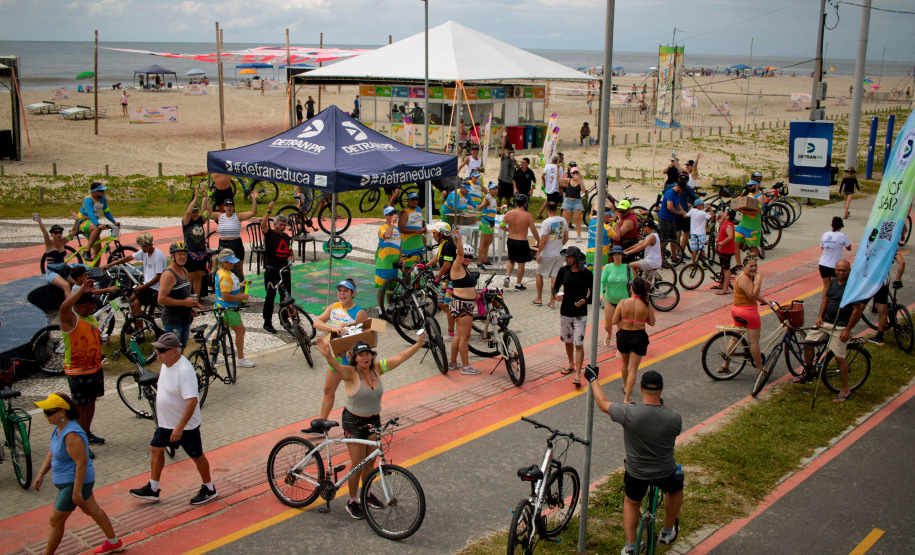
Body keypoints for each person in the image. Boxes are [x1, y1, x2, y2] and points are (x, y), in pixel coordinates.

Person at [314, 336, 426, 519]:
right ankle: (351, 501)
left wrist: (419, 344)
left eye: (368, 354)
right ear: (355, 358)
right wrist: (328, 356)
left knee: (370, 463)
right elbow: (338, 368)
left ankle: (366, 493)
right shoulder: (351, 373)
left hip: (373, 421)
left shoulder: (377, 368)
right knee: (357, 465)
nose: (365, 357)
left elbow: (400, 357)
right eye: (361, 355)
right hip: (354, 422)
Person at [586, 369, 683, 553]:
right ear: (661, 390)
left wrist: (593, 379)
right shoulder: (674, 417)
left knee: (631, 502)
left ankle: (630, 546)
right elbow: (673, 429)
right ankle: (667, 531)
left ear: (641, 388)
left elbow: (603, 404)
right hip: (665, 472)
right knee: (676, 491)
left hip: (636, 473)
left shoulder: (628, 412)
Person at [129, 333, 218, 506]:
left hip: (184, 426)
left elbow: (192, 401)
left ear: (174, 352)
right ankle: (153, 489)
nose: (157, 354)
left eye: (161, 350)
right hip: (166, 423)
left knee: (197, 456)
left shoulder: (184, 371)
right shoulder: (166, 364)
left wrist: (179, 427)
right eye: (157, 350)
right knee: (155, 448)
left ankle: (209, 488)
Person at [32, 393, 124, 555]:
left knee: (55, 520)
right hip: (74, 483)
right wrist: (41, 474)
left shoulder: (72, 435)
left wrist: (76, 491)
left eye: (49, 412)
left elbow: (81, 463)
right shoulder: (58, 429)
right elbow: (52, 453)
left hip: (73, 483)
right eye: (44, 412)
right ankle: (114, 542)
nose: (46, 416)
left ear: (62, 412)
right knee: (92, 510)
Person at [794, 260, 864, 401]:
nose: (841, 273)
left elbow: (857, 311)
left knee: (839, 358)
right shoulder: (833, 282)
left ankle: (845, 389)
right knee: (808, 343)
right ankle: (808, 372)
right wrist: (820, 317)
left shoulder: (852, 287)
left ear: (849, 271)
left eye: (844, 270)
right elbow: (826, 299)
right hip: (825, 323)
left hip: (840, 326)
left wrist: (847, 330)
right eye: (838, 270)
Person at [59, 282, 105, 454]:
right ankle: (80, 444)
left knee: (92, 401)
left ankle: (86, 433)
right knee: (80, 406)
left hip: (95, 369)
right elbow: (64, 307)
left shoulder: (90, 317)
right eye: (92, 304)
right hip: (78, 371)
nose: (94, 306)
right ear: (82, 305)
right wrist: (80, 291)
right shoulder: (70, 320)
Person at [314, 279, 369, 420]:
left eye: (346, 291)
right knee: (328, 390)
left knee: (355, 394)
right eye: (340, 290)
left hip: (352, 362)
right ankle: (322, 424)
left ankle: (365, 421)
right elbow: (317, 323)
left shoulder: (359, 313)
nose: (342, 294)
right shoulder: (333, 307)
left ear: (352, 293)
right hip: (336, 359)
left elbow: (366, 340)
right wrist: (332, 328)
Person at [717, 256, 773, 377]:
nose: (754, 268)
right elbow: (753, 295)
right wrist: (759, 281)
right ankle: (759, 369)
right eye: (751, 266)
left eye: (755, 265)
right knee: (753, 342)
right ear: (744, 266)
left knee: (736, 338)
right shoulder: (745, 279)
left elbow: (753, 294)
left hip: (737, 310)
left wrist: (765, 300)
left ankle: (725, 364)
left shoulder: (742, 276)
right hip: (749, 313)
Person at [552, 246, 593, 386]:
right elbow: (555, 287)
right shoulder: (563, 271)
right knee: (568, 341)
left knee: (579, 344)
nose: (566, 259)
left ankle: (578, 374)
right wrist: (555, 295)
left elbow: (592, 295)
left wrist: (585, 301)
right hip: (565, 312)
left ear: (574, 258)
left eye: (568, 257)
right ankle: (571, 363)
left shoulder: (587, 274)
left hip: (580, 314)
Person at [103, 233, 166, 317]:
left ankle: (140, 329)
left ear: (151, 244)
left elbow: (159, 276)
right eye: (141, 246)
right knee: (130, 300)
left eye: (144, 246)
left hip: (155, 287)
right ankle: (136, 323)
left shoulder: (158, 255)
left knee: (135, 305)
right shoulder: (144, 252)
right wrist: (110, 265)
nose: (142, 249)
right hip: (147, 285)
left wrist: (142, 287)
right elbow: (129, 258)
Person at [613, 278, 656, 403]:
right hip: (639, 336)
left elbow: (614, 320)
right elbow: (652, 323)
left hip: (624, 336)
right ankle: (627, 397)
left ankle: (626, 385)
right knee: (633, 369)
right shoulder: (646, 304)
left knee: (624, 364)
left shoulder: (623, 302)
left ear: (632, 288)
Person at [447, 231, 482, 375]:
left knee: (458, 336)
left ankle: (453, 363)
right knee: (465, 337)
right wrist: (459, 240)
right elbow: (460, 255)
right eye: (465, 256)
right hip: (462, 306)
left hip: (462, 305)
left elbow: (468, 286)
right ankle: (466, 367)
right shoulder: (457, 267)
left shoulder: (465, 270)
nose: (467, 258)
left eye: (470, 257)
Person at [214, 248, 255, 367]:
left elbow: (230, 287)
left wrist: (241, 285)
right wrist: (242, 296)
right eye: (230, 262)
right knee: (240, 331)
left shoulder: (224, 272)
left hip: (221, 306)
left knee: (220, 332)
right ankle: (240, 359)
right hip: (227, 309)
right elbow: (226, 296)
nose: (233, 263)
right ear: (224, 262)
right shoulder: (225, 276)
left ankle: (213, 355)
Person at [157, 242, 201, 351]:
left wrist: (190, 307)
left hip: (185, 319)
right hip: (173, 321)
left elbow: (183, 295)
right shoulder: (168, 275)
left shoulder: (184, 271)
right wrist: (184, 303)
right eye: (179, 254)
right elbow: (161, 299)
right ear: (172, 256)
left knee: (182, 350)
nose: (182, 257)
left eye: (184, 254)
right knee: (173, 352)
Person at [261, 202, 295, 334]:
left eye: (284, 225)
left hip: (284, 270)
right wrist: (269, 211)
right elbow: (263, 225)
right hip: (271, 271)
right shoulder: (270, 234)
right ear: (275, 225)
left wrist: (292, 257)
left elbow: (290, 250)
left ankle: (284, 319)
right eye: (279, 225)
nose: (282, 227)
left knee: (286, 297)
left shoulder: (286, 237)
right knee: (270, 297)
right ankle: (267, 323)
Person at [217, 190, 258, 281]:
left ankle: (242, 290)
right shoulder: (219, 216)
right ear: (223, 207)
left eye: (231, 205)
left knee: (238, 270)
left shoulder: (238, 216)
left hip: (235, 244)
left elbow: (253, 213)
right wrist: (206, 198)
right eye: (227, 206)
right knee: (223, 268)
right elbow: (206, 213)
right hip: (223, 244)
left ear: (233, 207)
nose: (229, 207)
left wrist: (254, 199)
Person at [533, 201, 568, 307]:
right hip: (558, 253)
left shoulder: (546, 222)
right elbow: (566, 237)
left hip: (547, 253)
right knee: (554, 277)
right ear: (556, 209)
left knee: (539, 274)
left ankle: (539, 298)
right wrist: (559, 245)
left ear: (546, 210)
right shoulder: (563, 221)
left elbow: (543, 240)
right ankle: (552, 302)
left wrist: (539, 252)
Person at [501, 194, 539, 291]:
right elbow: (534, 231)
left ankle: (507, 276)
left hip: (511, 240)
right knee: (521, 263)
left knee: (511, 260)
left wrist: (509, 230)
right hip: (522, 241)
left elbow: (501, 226)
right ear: (525, 204)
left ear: (516, 203)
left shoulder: (508, 213)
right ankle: (518, 284)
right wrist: (539, 241)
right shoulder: (528, 216)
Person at [76, 182, 119, 264]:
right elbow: (90, 213)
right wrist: (98, 224)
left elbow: (106, 212)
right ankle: (87, 251)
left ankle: (95, 271)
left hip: (92, 222)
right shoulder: (88, 200)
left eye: (104, 191)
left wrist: (114, 222)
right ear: (94, 192)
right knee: (96, 228)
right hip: (83, 222)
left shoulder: (103, 199)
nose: (103, 193)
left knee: (98, 251)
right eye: (101, 191)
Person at [868, 252, 905, 346]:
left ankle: (848, 334)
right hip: (884, 281)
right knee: (883, 310)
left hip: (872, 281)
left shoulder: (873, 245)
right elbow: (902, 262)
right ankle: (880, 336)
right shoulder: (891, 247)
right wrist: (898, 280)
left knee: (860, 307)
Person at [182, 186, 211, 297]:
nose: (194, 213)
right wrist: (195, 198)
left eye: (196, 211)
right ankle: (188, 300)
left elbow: (208, 212)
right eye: (193, 211)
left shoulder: (199, 220)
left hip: (201, 253)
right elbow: (188, 213)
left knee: (198, 278)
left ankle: (196, 300)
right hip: (190, 254)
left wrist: (206, 197)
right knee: (190, 279)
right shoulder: (186, 223)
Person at [601, 245, 633, 346]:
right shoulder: (608, 267)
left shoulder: (627, 267)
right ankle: (609, 334)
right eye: (615, 254)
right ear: (612, 256)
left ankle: (620, 347)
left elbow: (632, 283)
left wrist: (634, 298)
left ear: (622, 256)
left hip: (623, 301)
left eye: (619, 254)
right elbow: (602, 282)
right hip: (609, 299)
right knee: (608, 325)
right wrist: (601, 293)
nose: (617, 257)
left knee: (620, 326)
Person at [36, 216, 75, 296]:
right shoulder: (49, 244)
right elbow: (45, 233)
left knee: (78, 283)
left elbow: (73, 232)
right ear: (52, 234)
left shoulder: (63, 241)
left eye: (60, 232)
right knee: (66, 285)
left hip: (63, 270)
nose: (58, 234)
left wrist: (77, 220)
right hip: (52, 272)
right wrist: (39, 222)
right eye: (56, 232)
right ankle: (69, 307)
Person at [734, 179, 765, 268]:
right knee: (736, 243)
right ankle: (738, 264)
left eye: (751, 186)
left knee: (753, 247)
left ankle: (753, 267)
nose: (749, 187)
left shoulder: (760, 197)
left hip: (753, 227)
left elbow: (755, 213)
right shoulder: (749, 195)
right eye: (748, 186)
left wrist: (742, 210)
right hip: (743, 224)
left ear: (757, 186)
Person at [818, 216, 852, 297]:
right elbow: (849, 248)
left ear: (831, 225)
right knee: (836, 286)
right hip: (835, 265)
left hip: (823, 264)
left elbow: (822, 247)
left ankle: (825, 304)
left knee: (826, 286)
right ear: (841, 226)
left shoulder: (825, 234)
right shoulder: (842, 236)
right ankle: (834, 303)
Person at [397, 192, 427, 272]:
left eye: (416, 199)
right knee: (408, 268)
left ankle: (417, 285)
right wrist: (415, 231)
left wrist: (424, 226)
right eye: (412, 199)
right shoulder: (404, 213)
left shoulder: (419, 209)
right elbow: (401, 228)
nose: (415, 201)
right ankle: (408, 284)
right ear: (407, 200)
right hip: (408, 245)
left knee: (419, 267)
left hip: (419, 244)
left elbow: (421, 219)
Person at [375, 206, 402, 289]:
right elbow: (387, 235)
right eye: (391, 214)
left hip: (394, 262)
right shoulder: (382, 228)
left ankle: (391, 302)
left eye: (395, 213)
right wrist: (392, 224)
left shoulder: (396, 229)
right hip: (384, 263)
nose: (394, 215)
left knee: (392, 288)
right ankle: (381, 303)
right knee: (382, 288)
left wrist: (401, 258)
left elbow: (399, 244)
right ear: (386, 216)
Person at [714, 210, 737, 295]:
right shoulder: (724, 221)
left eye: (725, 213)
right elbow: (717, 220)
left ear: (728, 217)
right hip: (722, 249)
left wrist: (722, 243)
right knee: (723, 267)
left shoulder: (729, 226)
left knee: (726, 269)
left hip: (727, 250)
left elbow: (730, 237)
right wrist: (718, 214)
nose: (723, 214)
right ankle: (721, 284)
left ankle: (725, 289)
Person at [477, 183, 498, 270]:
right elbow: (480, 208)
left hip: (492, 222)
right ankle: (479, 262)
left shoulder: (493, 198)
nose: (496, 190)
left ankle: (485, 259)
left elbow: (493, 209)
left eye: (497, 189)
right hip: (486, 222)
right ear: (489, 190)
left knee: (488, 243)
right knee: (483, 243)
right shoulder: (487, 197)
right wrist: (485, 203)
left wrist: (501, 208)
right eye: (493, 189)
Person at [561, 166, 586, 241]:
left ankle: (579, 236)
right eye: (573, 172)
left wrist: (580, 180)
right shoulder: (568, 180)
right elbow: (559, 180)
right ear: (571, 173)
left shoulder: (580, 181)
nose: (575, 174)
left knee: (577, 220)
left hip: (577, 201)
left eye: (576, 172)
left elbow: (584, 190)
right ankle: (564, 235)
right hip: (568, 200)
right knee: (566, 219)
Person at [686, 199, 714, 264]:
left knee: (694, 249)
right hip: (701, 233)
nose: (703, 206)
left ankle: (693, 263)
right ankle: (703, 264)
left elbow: (685, 215)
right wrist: (710, 209)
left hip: (693, 233)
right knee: (702, 249)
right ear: (698, 206)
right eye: (702, 204)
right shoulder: (703, 213)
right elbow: (711, 218)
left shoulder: (692, 211)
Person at [497, 132, 518, 208]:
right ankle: (498, 210)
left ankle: (506, 211)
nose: (511, 154)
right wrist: (504, 137)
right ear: (507, 152)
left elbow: (518, 168)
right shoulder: (504, 158)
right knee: (500, 196)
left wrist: (514, 159)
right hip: (502, 179)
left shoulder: (513, 160)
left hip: (509, 181)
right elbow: (502, 148)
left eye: (512, 153)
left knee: (508, 197)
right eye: (510, 153)